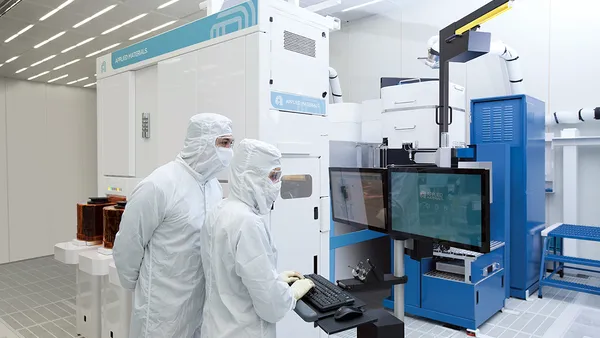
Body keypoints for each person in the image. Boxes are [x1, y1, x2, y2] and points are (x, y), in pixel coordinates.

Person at [113, 113, 234, 338]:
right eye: (223, 143)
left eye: (230, 144)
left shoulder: (213, 187)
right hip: (161, 311)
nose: (228, 151)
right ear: (202, 142)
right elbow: (128, 244)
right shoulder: (159, 185)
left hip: (199, 305)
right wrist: (140, 290)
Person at [199, 139, 315, 338]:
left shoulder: (219, 210)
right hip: (244, 331)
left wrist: (275, 279)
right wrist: (292, 293)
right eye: (273, 176)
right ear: (250, 177)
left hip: (216, 328)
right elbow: (271, 307)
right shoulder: (248, 223)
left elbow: (233, 279)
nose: (277, 185)